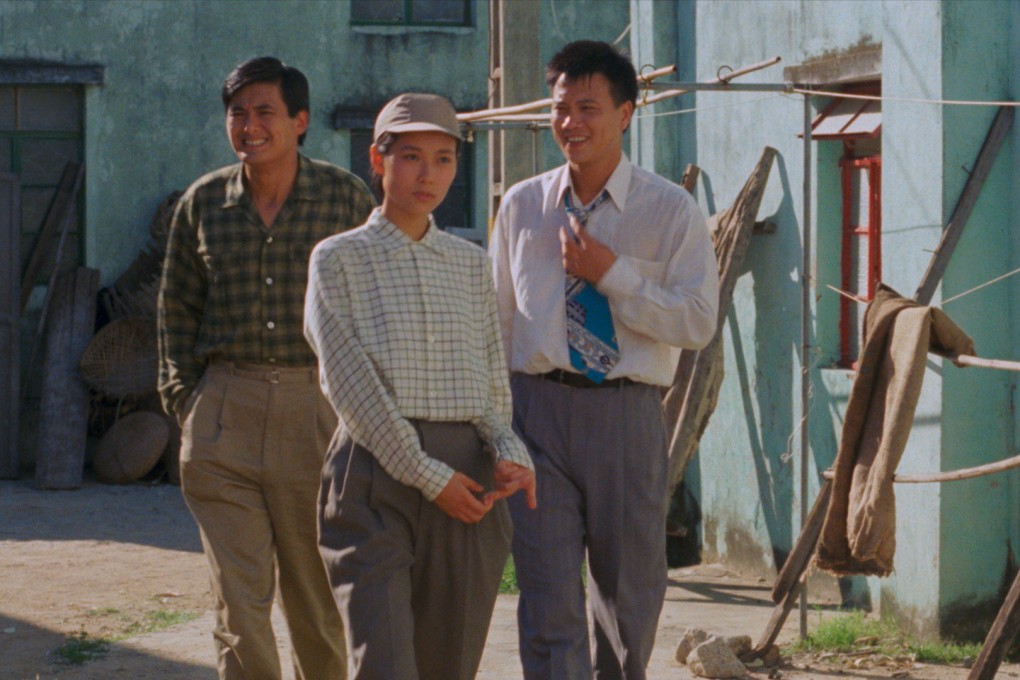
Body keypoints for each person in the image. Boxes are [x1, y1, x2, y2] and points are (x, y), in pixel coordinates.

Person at [489, 40, 721, 679]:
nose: (571, 123)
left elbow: (697, 322)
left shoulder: (669, 211)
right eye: (561, 108)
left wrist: (611, 274)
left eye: (588, 108)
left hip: (627, 414)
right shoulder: (522, 206)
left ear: (625, 114)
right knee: (546, 597)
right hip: (536, 416)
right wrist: (498, 430)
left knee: (628, 599)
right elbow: (497, 325)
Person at [304, 92, 537, 680]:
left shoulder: (469, 263)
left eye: (443, 159)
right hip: (374, 473)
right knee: (384, 662)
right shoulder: (338, 259)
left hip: (468, 479)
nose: (427, 174)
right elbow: (349, 383)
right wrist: (427, 475)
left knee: (449, 665)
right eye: (410, 156)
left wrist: (508, 450)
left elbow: (491, 377)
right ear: (377, 160)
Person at [157, 56, 375, 680]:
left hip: (317, 413)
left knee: (316, 601)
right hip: (224, 415)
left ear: (300, 121)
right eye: (238, 113)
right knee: (239, 603)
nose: (249, 126)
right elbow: (176, 310)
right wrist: (188, 403)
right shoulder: (204, 203)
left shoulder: (344, 198)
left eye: (265, 112)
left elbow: (373, 306)